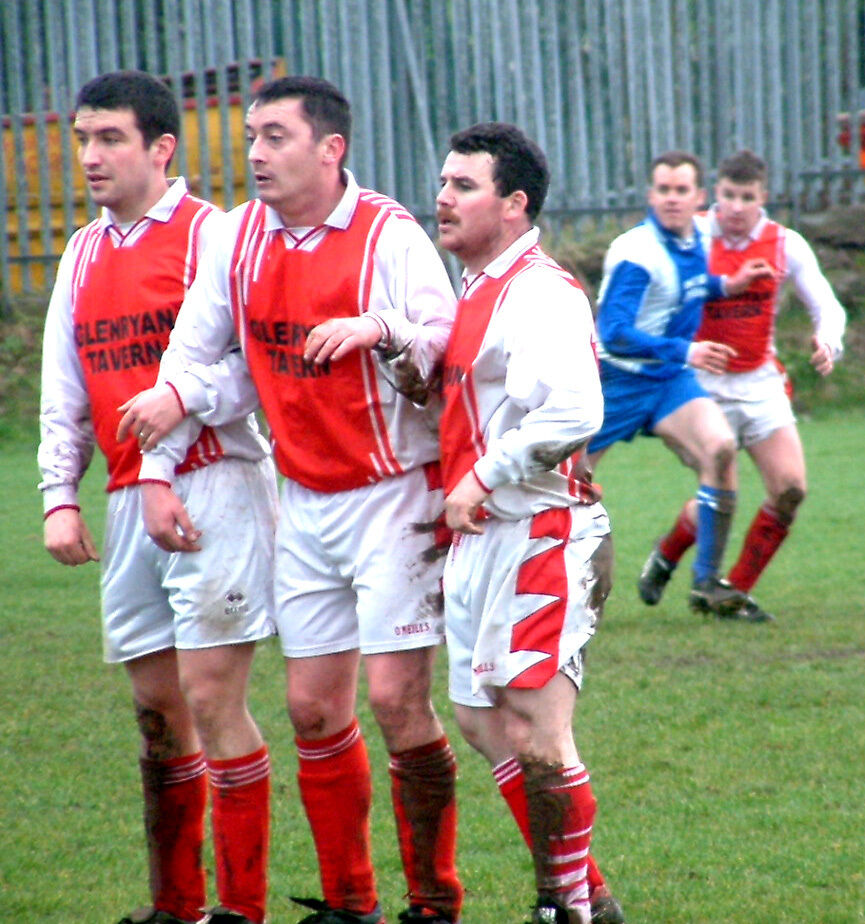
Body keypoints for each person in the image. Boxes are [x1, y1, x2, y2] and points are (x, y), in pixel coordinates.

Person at [117, 76, 462, 924]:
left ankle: (435, 904)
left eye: (275, 137)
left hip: (393, 496)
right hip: (303, 498)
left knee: (394, 699)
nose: (255, 155)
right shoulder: (236, 238)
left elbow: (449, 341)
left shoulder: (389, 233)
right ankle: (352, 904)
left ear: (329, 148)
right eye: (250, 138)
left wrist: (378, 328)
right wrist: (162, 456)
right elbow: (202, 358)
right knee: (311, 707)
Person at [38, 71, 278, 924]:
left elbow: (252, 370)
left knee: (213, 702)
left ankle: (241, 911)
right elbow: (65, 386)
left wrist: (180, 413)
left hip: (213, 486)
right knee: (156, 713)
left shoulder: (215, 238)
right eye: (82, 139)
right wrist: (58, 494)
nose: (91, 156)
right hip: (125, 498)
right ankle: (178, 907)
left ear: (161, 147)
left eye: (110, 139)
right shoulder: (82, 251)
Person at [435, 121, 621, 924]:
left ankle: (563, 908)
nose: (441, 198)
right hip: (485, 538)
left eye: (462, 186)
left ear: (513, 205)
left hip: (544, 531)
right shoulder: (479, 286)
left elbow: (577, 408)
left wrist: (481, 475)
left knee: (539, 736)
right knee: (481, 722)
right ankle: (592, 897)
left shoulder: (538, 290)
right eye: (442, 183)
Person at [636, 149, 847, 621]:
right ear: (715, 196)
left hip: (760, 383)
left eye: (746, 197)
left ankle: (731, 592)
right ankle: (670, 554)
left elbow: (827, 306)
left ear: (763, 198)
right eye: (728, 196)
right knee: (721, 491)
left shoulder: (785, 243)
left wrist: (828, 340)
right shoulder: (690, 235)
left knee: (791, 488)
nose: (735, 207)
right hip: (701, 386)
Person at [587, 151, 773, 618]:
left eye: (681, 190)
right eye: (664, 190)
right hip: (615, 383)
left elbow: (687, 286)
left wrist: (726, 285)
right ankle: (546, 591)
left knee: (720, 449)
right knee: (562, 484)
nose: (672, 199)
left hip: (667, 381)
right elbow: (614, 332)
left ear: (699, 198)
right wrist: (687, 351)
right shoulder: (636, 252)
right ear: (651, 196)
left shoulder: (697, 238)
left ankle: (707, 583)